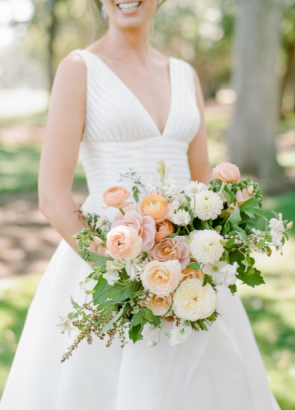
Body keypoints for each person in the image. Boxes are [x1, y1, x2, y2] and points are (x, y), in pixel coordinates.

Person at [0, 1, 281, 409]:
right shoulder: (79, 69)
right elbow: (53, 196)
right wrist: (124, 274)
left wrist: (205, 247)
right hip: (107, 263)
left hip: (187, 270)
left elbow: (201, 181)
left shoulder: (185, 75)